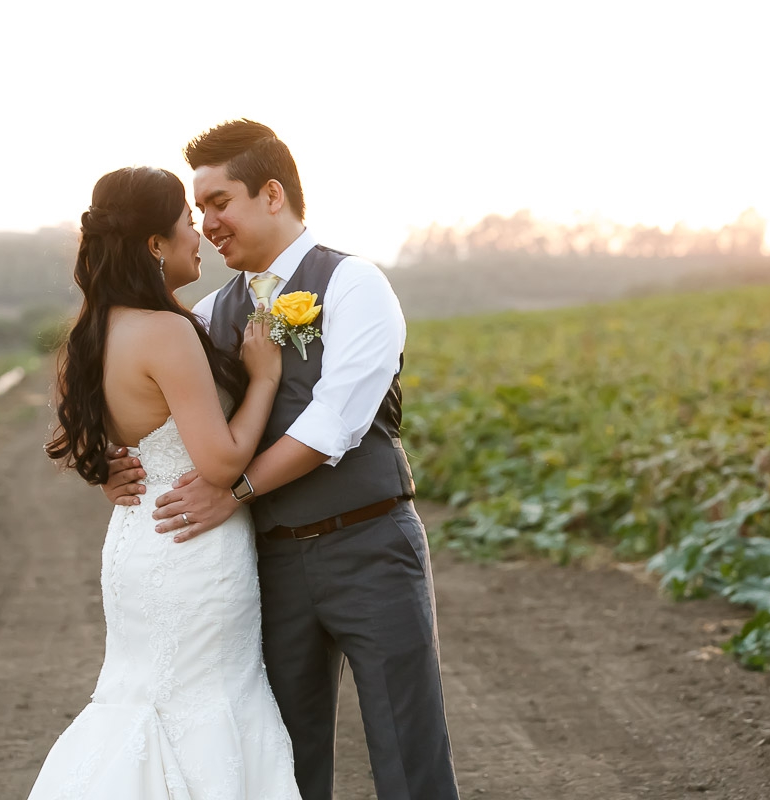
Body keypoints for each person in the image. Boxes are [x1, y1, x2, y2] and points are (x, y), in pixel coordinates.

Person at [102, 119, 461, 800]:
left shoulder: (355, 284)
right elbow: (162, 414)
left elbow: (336, 422)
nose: (206, 223)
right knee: (281, 762)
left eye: (218, 202)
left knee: (406, 745)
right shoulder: (208, 316)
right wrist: (115, 465)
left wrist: (232, 491)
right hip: (266, 565)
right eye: (198, 209)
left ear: (272, 194)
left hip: (369, 542)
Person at [29, 166, 301, 799]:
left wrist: (110, 478)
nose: (198, 235)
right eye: (185, 223)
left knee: (145, 698)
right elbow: (221, 463)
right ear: (155, 244)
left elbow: (104, 447)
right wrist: (262, 377)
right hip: (190, 546)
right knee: (202, 703)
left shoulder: (92, 334)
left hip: (136, 540)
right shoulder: (167, 331)